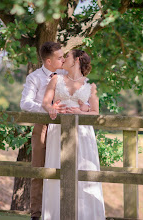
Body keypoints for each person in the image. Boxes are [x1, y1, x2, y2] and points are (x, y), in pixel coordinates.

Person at [20, 42, 89, 220]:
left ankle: (64, 211)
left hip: (66, 127)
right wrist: (47, 109)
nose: (63, 59)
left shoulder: (66, 72)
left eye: (64, 56)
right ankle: (37, 215)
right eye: (59, 57)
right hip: (43, 126)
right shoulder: (34, 78)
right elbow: (25, 103)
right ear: (49, 61)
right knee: (40, 170)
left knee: (68, 168)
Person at [41, 50, 105, 220]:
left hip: (82, 134)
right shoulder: (56, 79)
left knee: (83, 170)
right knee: (57, 169)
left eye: (67, 56)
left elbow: (96, 113)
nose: (63, 59)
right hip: (58, 131)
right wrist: (52, 109)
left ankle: (85, 215)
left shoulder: (90, 87)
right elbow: (46, 102)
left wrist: (79, 113)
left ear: (77, 60)